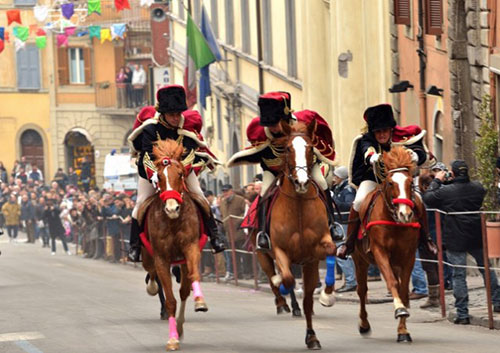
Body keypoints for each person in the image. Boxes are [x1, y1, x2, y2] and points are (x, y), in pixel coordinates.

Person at [126, 85, 225, 262]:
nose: (175, 118)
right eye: (171, 114)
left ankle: (215, 237)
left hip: (180, 171)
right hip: (152, 172)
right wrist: (154, 174)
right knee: (140, 203)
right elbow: (147, 155)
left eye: (178, 114)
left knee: (200, 196)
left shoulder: (185, 130)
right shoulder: (150, 130)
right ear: (163, 113)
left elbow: (189, 156)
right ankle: (134, 246)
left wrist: (178, 172)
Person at [227, 92, 337, 250]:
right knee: (264, 192)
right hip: (273, 169)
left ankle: (333, 224)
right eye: (269, 124)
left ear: (285, 118)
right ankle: (263, 233)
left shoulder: (301, 125)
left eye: (275, 123)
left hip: (305, 166)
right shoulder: (261, 132)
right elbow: (258, 151)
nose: (272, 128)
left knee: (321, 182)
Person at [336, 103, 436, 259]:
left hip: (400, 182)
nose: (381, 135)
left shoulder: (402, 138)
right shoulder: (366, 140)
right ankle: (348, 243)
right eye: (378, 132)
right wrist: (372, 157)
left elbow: (421, 152)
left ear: (391, 130)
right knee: (358, 201)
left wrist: (415, 156)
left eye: (384, 131)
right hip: (373, 180)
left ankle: (426, 239)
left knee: (419, 202)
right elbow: (366, 150)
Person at [423, 160, 500, 324]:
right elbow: (462, 191)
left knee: (459, 274)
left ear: (454, 173)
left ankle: (462, 313)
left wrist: (437, 180)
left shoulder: (446, 191)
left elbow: (428, 198)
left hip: (455, 236)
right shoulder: (478, 188)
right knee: (486, 269)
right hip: (476, 234)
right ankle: (497, 302)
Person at [330, 166, 357, 293]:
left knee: (341, 252)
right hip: (339, 223)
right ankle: (351, 280)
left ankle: (351, 281)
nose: (334, 178)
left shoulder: (348, 189)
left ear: (341, 177)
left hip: (345, 223)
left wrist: (334, 201)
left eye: (336, 176)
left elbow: (349, 205)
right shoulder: (338, 188)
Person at [220, 184, 250, 281]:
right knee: (233, 255)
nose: (225, 193)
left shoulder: (240, 200)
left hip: (239, 231)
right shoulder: (223, 202)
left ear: (231, 191)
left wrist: (236, 222)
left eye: (227, 191)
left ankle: (247, 272)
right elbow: (222, 215)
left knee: (244, 254)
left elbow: (245, 213)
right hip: (229, 233)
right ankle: (237, 273)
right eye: (224, 191)